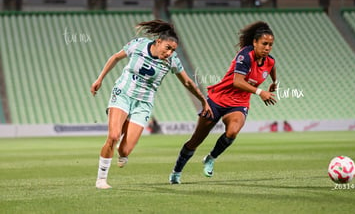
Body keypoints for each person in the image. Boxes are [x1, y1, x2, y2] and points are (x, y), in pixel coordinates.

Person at [91, 19, 213, 189]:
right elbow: (116, 57)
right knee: (113, 136)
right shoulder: (139, 44)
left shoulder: (172, 60)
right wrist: (100, 79)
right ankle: (101, 179)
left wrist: (202, 99)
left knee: (124, 151)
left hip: (144, 104)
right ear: (158, 42)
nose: (170, 52)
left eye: (173, 50)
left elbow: (187, 82)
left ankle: (122, 144)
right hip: (123, 94)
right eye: (167, 48)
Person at [169, 21, 277, 184]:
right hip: (217, 99)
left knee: (232, 132)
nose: (267, 48)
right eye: (264, 44)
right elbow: (237, 82)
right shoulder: (245, 55)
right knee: (196, 140)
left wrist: (274, 82)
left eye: (270, 44)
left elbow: (271, 67)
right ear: (255, 42)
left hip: (239, 104)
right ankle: (176, 171)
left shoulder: (269, 61)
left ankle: (211, 158)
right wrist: (260, 92)